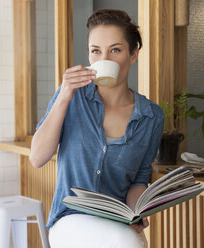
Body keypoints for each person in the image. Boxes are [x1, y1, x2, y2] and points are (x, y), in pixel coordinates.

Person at [30, 9, 164, 248]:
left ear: (133, 55)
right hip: (70, 218)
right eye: (96, 51)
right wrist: (63, 96)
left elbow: (139, 180)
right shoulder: (71, 97)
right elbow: (38, 158)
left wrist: (136, 213)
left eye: (115, 50)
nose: (105, 59)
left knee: (128, 241)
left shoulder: (151, 116)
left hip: (117, 223)